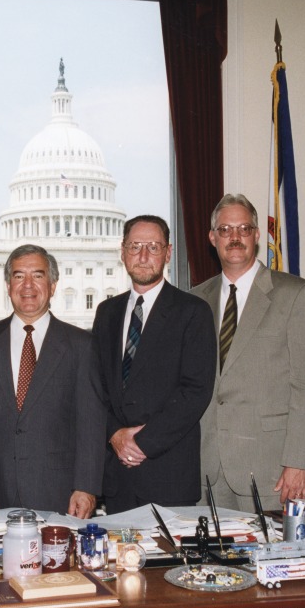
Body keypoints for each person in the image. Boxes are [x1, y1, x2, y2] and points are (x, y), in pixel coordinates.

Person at [192, 194, 305, 512]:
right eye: (225, 229)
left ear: (256, 235)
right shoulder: (195, 300)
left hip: (272, 471)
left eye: (244, 228)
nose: (235, 237)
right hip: (205, 470)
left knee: (271, 561)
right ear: (213, 238)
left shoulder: (296, 294)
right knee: (208, 563)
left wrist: (299, 461)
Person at [0, 244, 105, 518]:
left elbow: (90, 423)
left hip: (59, 492)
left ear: (52, 285)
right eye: (18, 276)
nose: (27, 285)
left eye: (38, 275)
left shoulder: (81, 345)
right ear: (7, 285)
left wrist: (86, 487)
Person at [93, 215, 216, 514]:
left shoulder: (193, 312)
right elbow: (95, 387)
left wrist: (142, 443)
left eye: (153, 247)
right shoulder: (106, 312)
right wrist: (115, 435)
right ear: (122, 253)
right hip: (117, 476)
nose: (144, 256)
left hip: (168, 474)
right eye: (135, 247)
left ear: (169, 252)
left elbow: (195, 391)